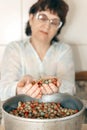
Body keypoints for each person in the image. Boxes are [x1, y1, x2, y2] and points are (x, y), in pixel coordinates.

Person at [0, 0, 76, 101]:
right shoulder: (14, 49)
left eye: (54, 22)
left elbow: (71, 89)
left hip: (54, 112)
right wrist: (19, 89)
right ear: (31, 19)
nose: (47, 25)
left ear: (58, 28)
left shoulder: (64, 50)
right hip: (20, 112)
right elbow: (3, 90)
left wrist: (57, 85)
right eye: (43, 17)